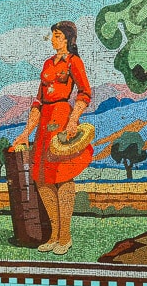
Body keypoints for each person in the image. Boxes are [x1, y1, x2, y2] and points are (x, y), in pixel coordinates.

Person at [12, 21, 92, 255]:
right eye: (52, 36)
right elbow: (37, 101)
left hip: (61, 116)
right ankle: (54, 234)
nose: (53, 39)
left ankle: (65, 236)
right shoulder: (48, 63)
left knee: (62, 176)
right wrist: (26, 133)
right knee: (41, 178)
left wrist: (73, 119)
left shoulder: (73, 62)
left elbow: (85, 92)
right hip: (44, 121)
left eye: (57, 36)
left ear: (67, 38)